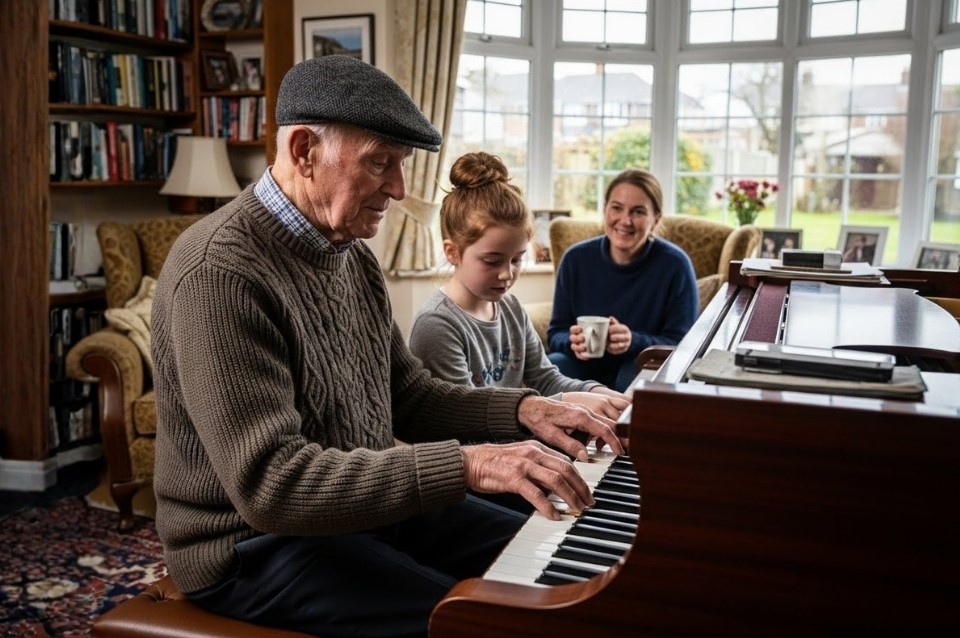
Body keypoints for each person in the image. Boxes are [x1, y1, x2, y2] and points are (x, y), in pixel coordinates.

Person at [151, 55, 623, 638]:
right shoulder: (218, 273)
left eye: (399, 166)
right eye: (381, 163)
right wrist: (470, 463)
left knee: (566, 558)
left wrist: (523, 410)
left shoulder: (350, 255)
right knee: (485, 622)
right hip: (253, 549)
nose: (399, 189)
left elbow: (407, 395)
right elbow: (272, 483)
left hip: (358, 509)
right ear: (303, 151)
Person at [408, 152, 630, 420]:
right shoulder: (436, 325)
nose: (506, 274)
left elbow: (545, 379)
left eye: (516, 259)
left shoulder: (510, 308)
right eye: (492, 261)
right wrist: (568, 403)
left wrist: (599, 393)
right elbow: (466, 418)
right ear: (452, 252)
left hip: (511, 447)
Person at [546, 169, 699, 393]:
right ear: (605, 209)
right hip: (582, 365)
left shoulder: (675, 265)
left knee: (632, 376)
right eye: (616, 208)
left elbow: (683, 343)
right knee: (555, 364)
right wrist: (572, 341)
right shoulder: (575, 259)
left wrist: (633, 342)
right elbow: (556, 333)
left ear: (656, 219)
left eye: (638, 212)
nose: (625, 221)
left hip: (639, 365)